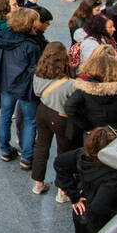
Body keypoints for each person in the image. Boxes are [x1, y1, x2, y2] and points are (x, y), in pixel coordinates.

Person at [0, 7, 45, 169]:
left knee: (5, 116)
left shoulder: (3, 37)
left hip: (6, 82)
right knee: (30, 121)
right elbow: (35, 69)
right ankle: (27, 157)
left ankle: (5, 150)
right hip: (25, 86)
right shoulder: (32, 45)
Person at [64, 45, 117, 146]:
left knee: (89, 159)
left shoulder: (85, 88)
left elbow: (69, 107)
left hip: (92, 134)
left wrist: (87, 126)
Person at [31, 41, 76, 198]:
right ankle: (62, 191)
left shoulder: (38, 73)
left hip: (42, 111)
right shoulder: (71, 83)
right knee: (63, 151)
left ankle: (38, 184)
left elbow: (37, 93)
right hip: (61, 116)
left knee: (41, 146)